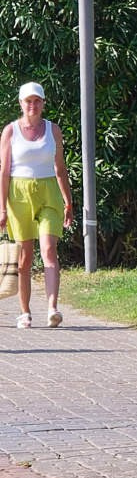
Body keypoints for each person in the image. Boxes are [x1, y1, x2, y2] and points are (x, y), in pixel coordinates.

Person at [2, 82, 69, 329]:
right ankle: (25, 312)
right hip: (18, 195)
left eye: (37, 101)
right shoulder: (10, 131)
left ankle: (52, 308)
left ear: (42, 103)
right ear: (21, 103)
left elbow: (60, 168)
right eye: (28, 101)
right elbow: (4, 172)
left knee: (49, 249)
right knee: (24, 258)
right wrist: (1, 208)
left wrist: (68, 201)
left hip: (48, 192)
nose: (33, 105)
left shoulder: (53, 130)